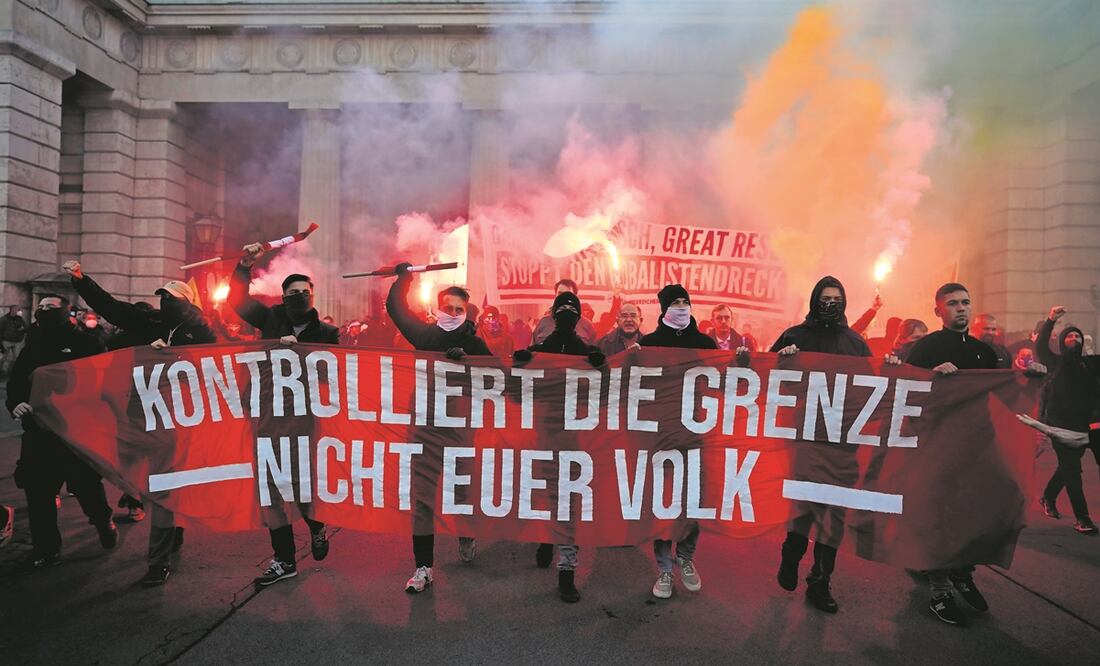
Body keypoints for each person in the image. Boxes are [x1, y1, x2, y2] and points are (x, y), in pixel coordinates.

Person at [64, 260, 216, 586]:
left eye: (173, 298)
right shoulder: (148, 319)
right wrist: (81, 280)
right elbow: (109, 306)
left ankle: (158, 561)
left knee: (164, 488)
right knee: (121, 467)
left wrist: (174, 354)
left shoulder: (201, 330)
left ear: (187, 302)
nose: (165, 303)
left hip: (177, 418)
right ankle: (142, 514)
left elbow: (216, 366)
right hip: (137, 413)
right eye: (163, 297)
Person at [906, 282, 1045, 625]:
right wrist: (931, 377)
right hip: (937, 448)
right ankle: (939, 591)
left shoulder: (986, 350)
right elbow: (905, 393)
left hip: (978, 448)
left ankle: (962, 574)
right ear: (938, 310)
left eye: (965, 302)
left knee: (975, 514)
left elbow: (1004, 393)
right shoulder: (925, 348)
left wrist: (1032, 379)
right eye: (952, 303)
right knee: (940, 519)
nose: (961, 308)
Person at [768, 276, 881, 614]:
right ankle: (792, 553)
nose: (830, 304)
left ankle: (820, 581)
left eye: (836, 299)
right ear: (815, 300)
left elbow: (874, 385)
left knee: (834, 514)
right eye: (825, 298)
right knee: (804, 505)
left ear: (843, 303)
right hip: (805, 436)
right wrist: (783, 358)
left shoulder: (856, 343)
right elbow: (765, 375)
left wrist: (891, 369)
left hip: (843, 440)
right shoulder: (795, 336)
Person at [232, 242, 341, 587]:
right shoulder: (269, 318)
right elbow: (237, 300)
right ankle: (284, 559)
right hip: (266, 412)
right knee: (272, 487)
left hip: (303, 418)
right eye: (292, 292)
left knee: (301, 483)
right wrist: (243, 266)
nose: (298, 296)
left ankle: (316, 524)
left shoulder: (326, 333)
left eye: (303, 292)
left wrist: (305, 358)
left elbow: (332, 374)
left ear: (312, 295)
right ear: (283, 296)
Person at [387, 262, 491, 593]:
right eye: (448, 307)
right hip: (426, 428)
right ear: (438, 308)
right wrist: (404, 278)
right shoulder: (426, 335)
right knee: (423, 498)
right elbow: (396, 309)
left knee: (462, 489)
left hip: (460, 429)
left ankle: (466, 530)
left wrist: (470, 361)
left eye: (458, 309)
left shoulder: (475, 342)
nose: (452, 312)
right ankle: (423, 567)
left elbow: (501, 376)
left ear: (466, 312)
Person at [6, 294, 117, 568]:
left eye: (50, 307)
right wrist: (16, 403)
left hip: (75, 432)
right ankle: (46, 549)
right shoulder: (33, 344)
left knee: (85, 486)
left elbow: (104, 379)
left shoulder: (87, 342)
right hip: (39, 431)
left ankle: (103, 521)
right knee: (38, 490)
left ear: (66, 311)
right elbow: (17, 380)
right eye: (40, 306)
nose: (43, 310)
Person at [519, 291, 606, 603]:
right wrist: (520, 363)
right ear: (554, 316)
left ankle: (566, 570)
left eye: (573, 311)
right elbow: (517, 391)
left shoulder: (584, 349)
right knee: (546, 494)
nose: (568, 316)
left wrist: (600, 364)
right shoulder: (541, 348)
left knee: (568, 503)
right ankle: (546, 538)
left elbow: (607, 390)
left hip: (575, 439)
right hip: (544, 435)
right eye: (563, 311)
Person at [639, 285, 721, 600]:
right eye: (675, 302)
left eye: (686, 301)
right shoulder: (649, 343)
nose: (682, 306)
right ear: (663, 307)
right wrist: (632, 360)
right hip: (661, 436)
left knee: (693, 501)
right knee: (664, 502)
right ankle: (663, 568)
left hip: (695, 434)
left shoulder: (704, 343)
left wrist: (740, 362)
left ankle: (686, 556)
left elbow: (724, 379)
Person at [1034, 306, 1100, 535]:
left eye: (1078, 336)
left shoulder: (1091, 363)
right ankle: (1083, 518)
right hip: (1062, 427)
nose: (1075, 339)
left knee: (1066, 468)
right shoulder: (1054, 362)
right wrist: (1051, 320)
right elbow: (1041, 346)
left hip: (1092, 426)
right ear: (1063, 341)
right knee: (1072, 471)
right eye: (1070, 336)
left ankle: (1048, 496)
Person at [532, 279, 597, 345]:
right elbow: (533, 352)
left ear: (575, 297)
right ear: (555, 296)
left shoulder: (587, 325)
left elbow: (593, 352)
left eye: (567, 294)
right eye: (560, 293)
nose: (563, 297)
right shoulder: (543, 322)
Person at [0, 304, 28, 376]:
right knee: (3, 359)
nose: (20, 311)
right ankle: (2, 374)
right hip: (6, 341)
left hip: (17, 342)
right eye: (18, 310)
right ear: (12, 310)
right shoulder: (4, 319)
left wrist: (23, 329)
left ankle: (16, 374)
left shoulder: (20, 319)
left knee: (18, 359)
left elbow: (26, 328)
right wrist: (1, 344)